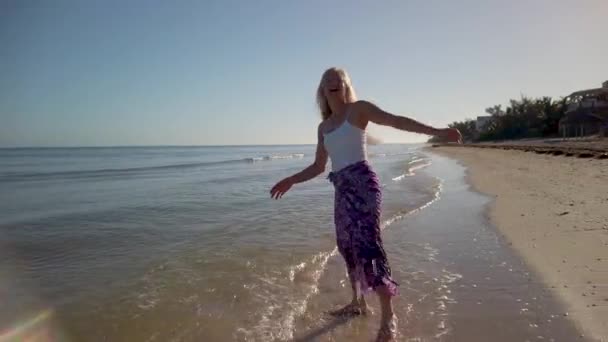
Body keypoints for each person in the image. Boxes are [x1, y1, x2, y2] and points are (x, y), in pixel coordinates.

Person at [270, 67, 461, 341]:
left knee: (368, 245)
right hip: (341, 188)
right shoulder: (324, 127)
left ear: (346, 85)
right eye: (327, 81)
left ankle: (388, 316)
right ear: (322, 90)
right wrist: (291, 179)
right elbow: (318, 166)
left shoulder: (358, 110)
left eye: (338, 80)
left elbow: (396, 121)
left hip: (363, 184)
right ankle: (358, 303)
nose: (333, 83)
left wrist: (437, 132)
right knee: (346, 244)